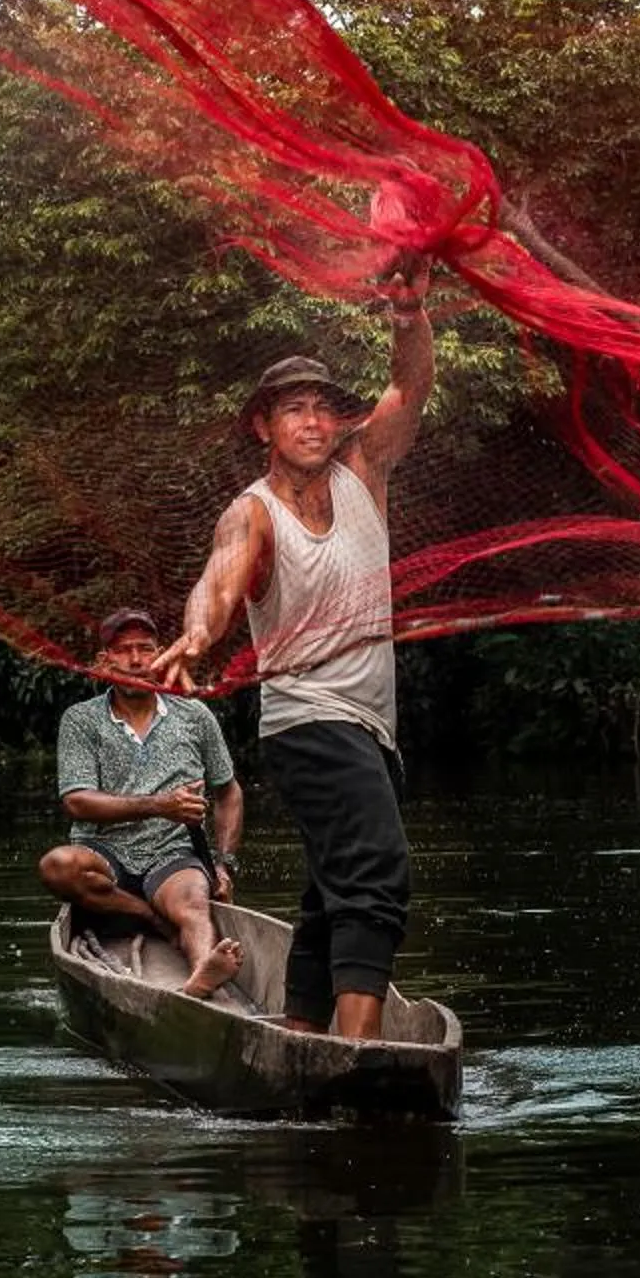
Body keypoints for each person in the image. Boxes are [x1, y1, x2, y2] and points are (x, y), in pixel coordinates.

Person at [150, 254, 433, 1039]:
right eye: (293, 410)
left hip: (372, 728)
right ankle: (358, 1049)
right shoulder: (255, 511)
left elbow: (409, 389)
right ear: (263, 426)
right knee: (378, 869)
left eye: (320, 409)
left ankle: (302, 1036)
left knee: (329, 891)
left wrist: (409, 315)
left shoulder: (363, 472)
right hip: (310, 722)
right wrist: (199, 633)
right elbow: (220, 578)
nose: (312, 422)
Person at [39, 607, 246, 999]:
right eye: (123, 650)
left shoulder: (194, 715)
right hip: (104, 852)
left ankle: (203, 973)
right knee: (58, 866)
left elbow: (229, 791)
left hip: (171, 852)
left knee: (194, 904)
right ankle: (152, 918)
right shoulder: (81, 720)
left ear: (161, 654)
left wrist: (223, 862)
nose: (135, 660)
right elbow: (78, 802)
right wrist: (159, 805)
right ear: (104, 660)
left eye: (145, 649)